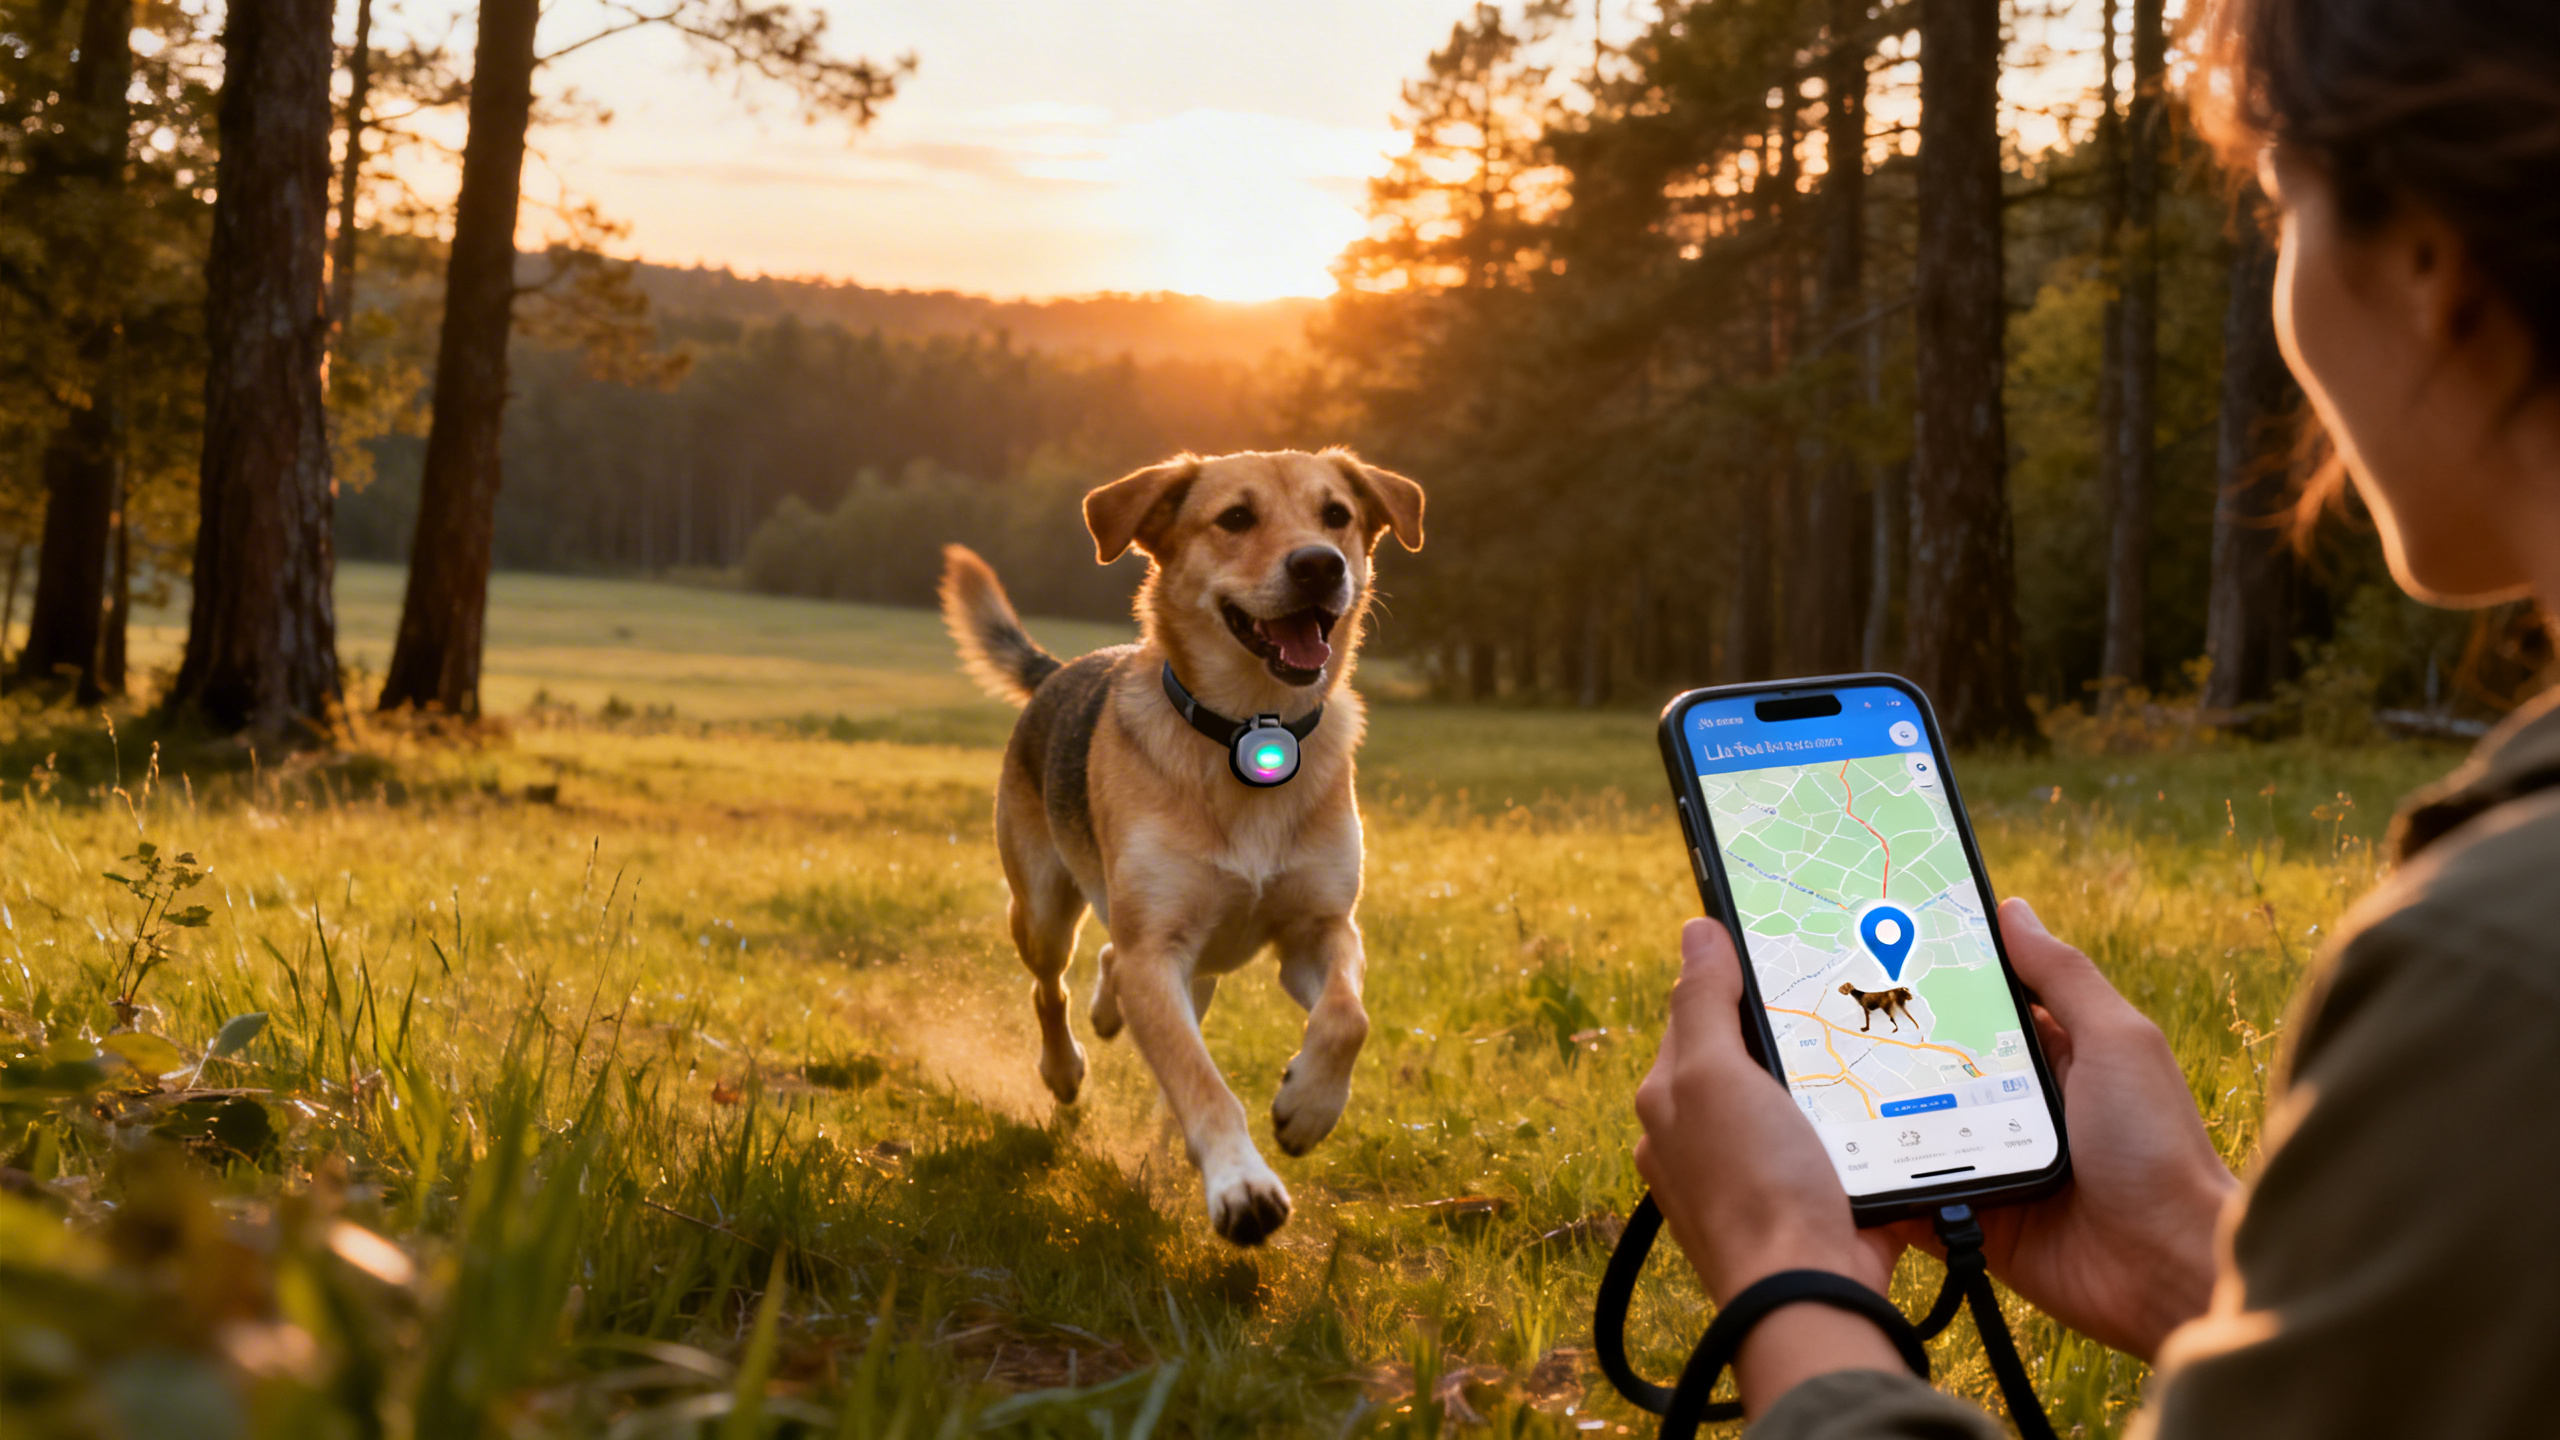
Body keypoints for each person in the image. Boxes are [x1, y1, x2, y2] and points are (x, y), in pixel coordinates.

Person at [1632, 0, 2560, 1433]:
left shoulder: (2501, 965)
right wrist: (2192, 1249)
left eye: (2276, 202)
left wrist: (1789, 1274)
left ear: (2430, 251)